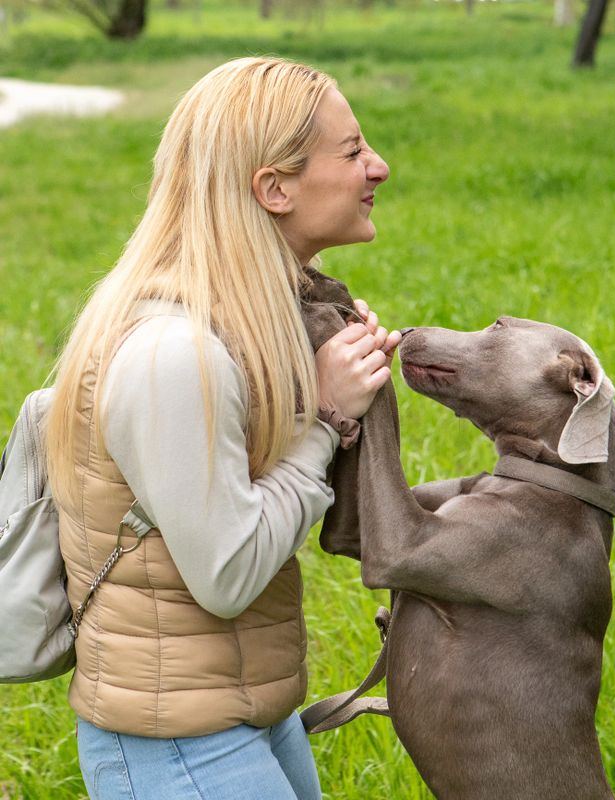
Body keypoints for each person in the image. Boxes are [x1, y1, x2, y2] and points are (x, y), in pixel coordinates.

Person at [45, 56, 400, 800]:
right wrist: (325, 420)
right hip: (176, 746)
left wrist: (321, 374)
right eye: (352, 151)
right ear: (273, 188)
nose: (379, 166)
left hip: (238, 714)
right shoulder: (175, 354)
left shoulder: (237, 324)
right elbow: (229, 573)